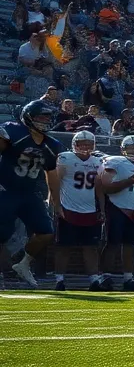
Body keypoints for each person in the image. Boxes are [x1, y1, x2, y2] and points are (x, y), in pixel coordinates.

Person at [0, 101, 65, 287]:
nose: (45, 121)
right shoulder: (14, 132)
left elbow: (51, 174)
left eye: (48, 117)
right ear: (29, 117)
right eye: (41, 117)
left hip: (28, 193)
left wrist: (56, 202)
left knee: (46, 232)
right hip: (5, 189)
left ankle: (23, 264)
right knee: (1, 235)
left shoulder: (52, 145)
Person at [49, 130, 105, 291]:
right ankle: (59, 279)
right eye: (82, 144)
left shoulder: (98, 161)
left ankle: (94, 279)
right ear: (75, 145)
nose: (86, 147)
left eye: (89, 144)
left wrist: (102, 208)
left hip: (90, 209)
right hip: (68, 208)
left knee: (91, 247)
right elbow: (55, 182)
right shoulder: (66, 158)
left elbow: (99, 188)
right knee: (63, 246)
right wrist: (55, 204)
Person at [98, 135, 134, 291]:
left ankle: (128, 278)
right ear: (123, 149)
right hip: (116, 206)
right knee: (112, 243)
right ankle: (105, 276)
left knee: (130, 245)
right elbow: (106, 187)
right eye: (130, 148)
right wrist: (129, 181)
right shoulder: (114, 162)